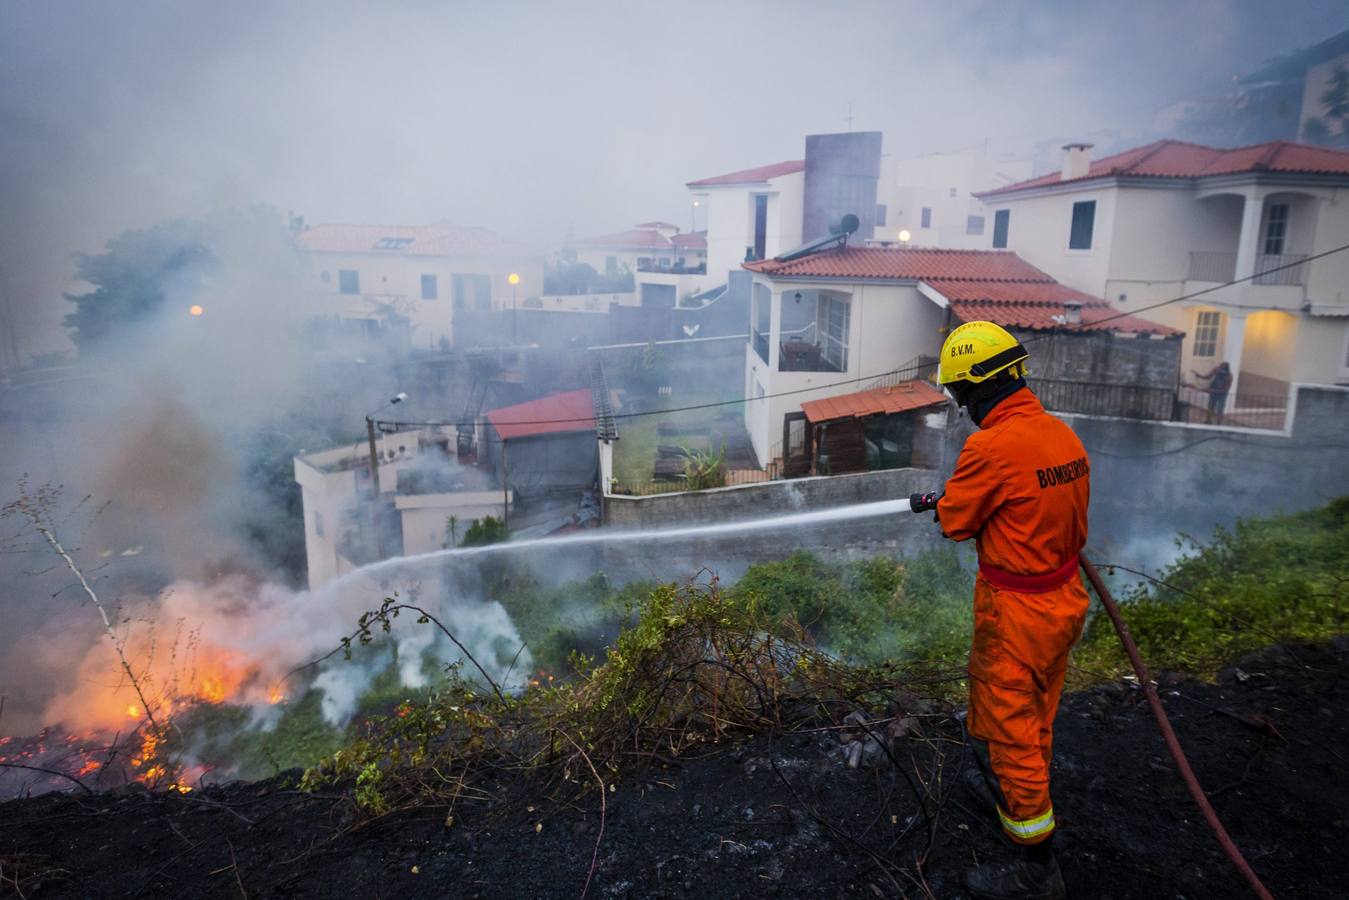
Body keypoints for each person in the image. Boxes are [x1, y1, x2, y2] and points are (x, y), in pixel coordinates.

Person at [910, 321, 1090, 900]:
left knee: (1012, 731)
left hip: (1015, 614)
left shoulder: (990, 447)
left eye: (961, 393)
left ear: (979, 386)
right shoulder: (1061, 435)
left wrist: (947, 503)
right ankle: (1015, 796)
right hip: (1063, 602)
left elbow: (958, 523)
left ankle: (1037, 868)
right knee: (1036, 714)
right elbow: (1029, 505)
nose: (962, 407)